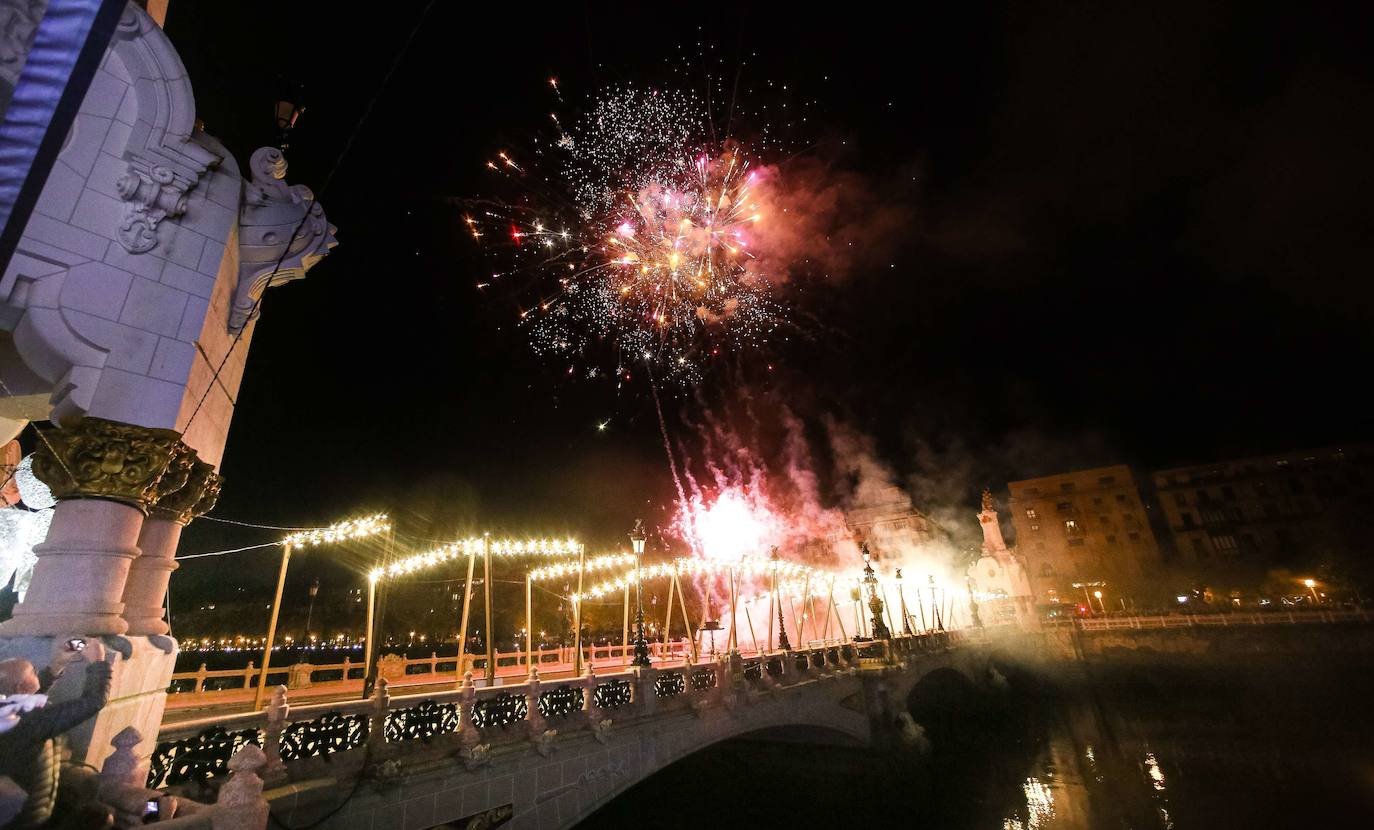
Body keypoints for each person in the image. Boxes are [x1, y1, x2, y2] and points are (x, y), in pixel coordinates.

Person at [0, 640, 113, 829]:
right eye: (33, 671)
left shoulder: (10, 712)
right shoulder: (31, 721)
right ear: (20, 687)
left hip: (25, 808)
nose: (38, 672)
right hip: (28, 818)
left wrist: (56, 666)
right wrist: (98, 663)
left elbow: (27, 698)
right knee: (99, 816)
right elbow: (93, 702)